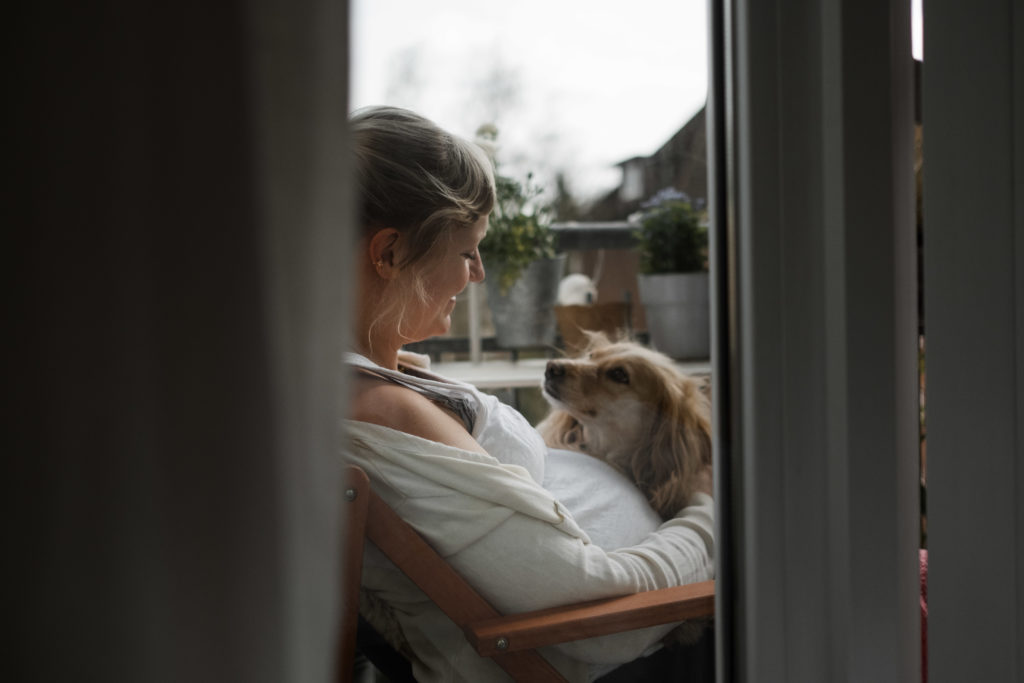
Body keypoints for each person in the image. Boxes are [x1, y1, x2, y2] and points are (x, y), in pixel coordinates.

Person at [344, 105, 714, 682]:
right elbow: (595, 608)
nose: (478, 274)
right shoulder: (387, 411)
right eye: (466, 251)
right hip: (616, 651)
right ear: (390, 253)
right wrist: (705, 514)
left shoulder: (368, 378)